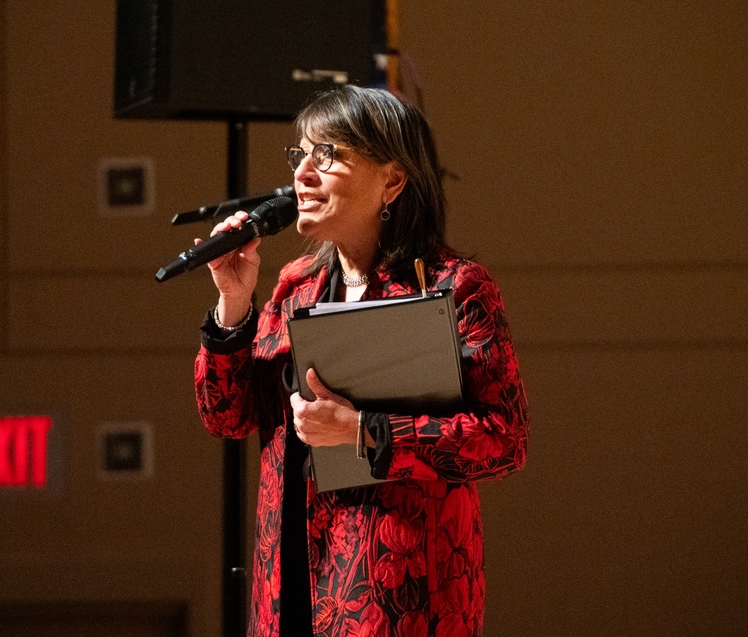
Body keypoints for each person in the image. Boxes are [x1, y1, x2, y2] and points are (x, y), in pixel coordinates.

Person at [193, 85, 528, 637]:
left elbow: (503, 439)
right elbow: (227, 415)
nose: (303, 173)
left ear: (392, 181)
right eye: (299, 155)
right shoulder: (296, 286)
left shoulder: (454, 287)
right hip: (290, 584)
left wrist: (362, 432)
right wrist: (233, 305)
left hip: (401, 593)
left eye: (327, 155)